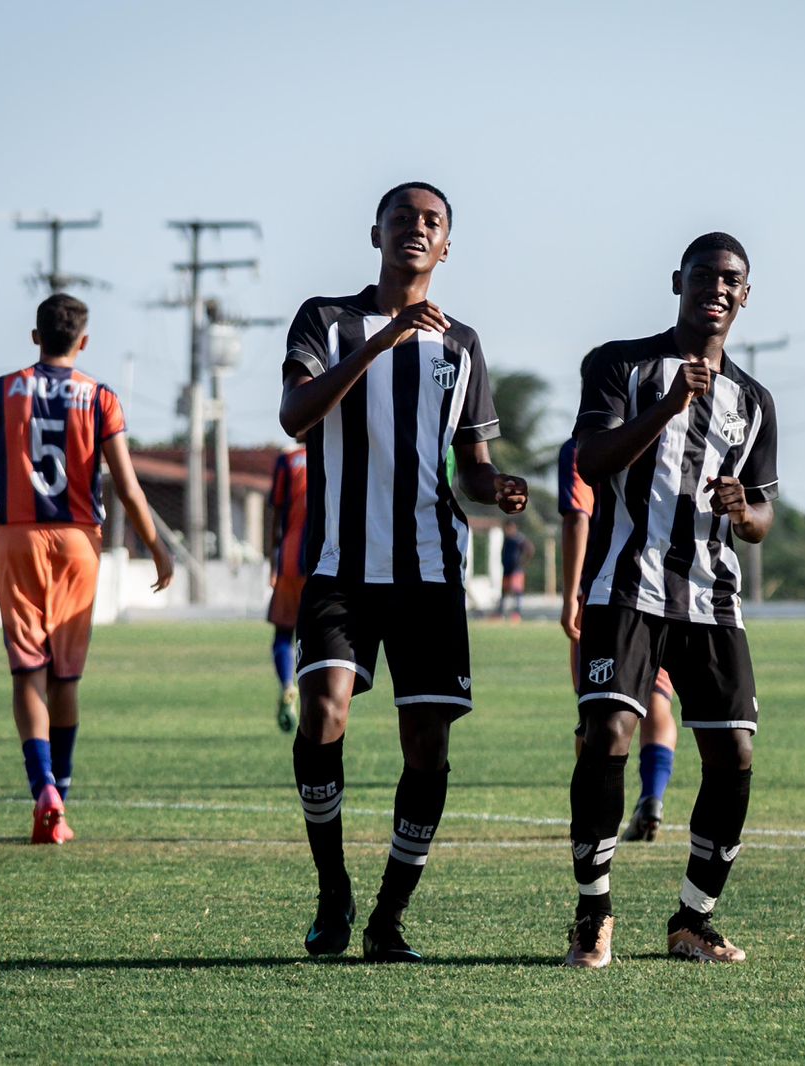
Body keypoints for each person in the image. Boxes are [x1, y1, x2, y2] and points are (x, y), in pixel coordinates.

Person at [279, 181, 528, 962]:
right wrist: (384, 341)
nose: (416, 229)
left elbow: (474, 466)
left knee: (428, 749)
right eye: (403, 219)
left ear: (446, 244)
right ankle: (333, 892)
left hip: (429, 572)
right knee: (323, 713)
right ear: (376, 233)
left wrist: (498, 488)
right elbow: (294, 417)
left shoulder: (462, 345)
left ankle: (388, 917)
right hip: (339, 566)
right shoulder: (328, 319)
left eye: (432, 222)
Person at [564, 233, 778, 968]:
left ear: (745, 296)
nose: (718, 289)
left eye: (733, 281)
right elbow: (591, 462)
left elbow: (762, 516)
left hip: (711, 599)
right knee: (608, 739)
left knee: (735, 752)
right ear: (677, 281)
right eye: (706, 276)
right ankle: (594, 913)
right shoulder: (620, 364)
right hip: (624, 586)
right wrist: (667, 407)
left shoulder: (754, 401)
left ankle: (693, 919)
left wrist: (742, 507)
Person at [0, 293, 174, 844]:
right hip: (80, 542)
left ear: (35, 337)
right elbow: (125, 485)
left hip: (16, 540)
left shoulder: (2, 391)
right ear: (83, 342)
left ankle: (42, 789)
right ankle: (65, 793)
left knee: (27, 668)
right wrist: (157, 546)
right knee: (67, 673)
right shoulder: (100, 397)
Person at [557, 434, 678, 842]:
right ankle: (653, 797)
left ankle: (595, 815)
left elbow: (578, 516)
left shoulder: (582, 448)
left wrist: (572, 593)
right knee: (657, 699)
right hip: (668, 589)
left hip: (607, 594)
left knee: (595, 713)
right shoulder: (668, 436)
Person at [268, 434, 309, 732]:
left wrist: (273, 558)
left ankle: (287, 685)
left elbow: (277, 512)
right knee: (318, 638)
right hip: (325, 562)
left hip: (291, 560)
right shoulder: (336, 452)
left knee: (284, 633)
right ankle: (316, 696)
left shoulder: (289, 460)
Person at [498, 520, 534, 621]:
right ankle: (500, 613)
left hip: (516, 569)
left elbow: (530, 549)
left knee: (517, 591)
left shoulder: (519, 539)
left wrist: (523, 562)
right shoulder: (507, 539)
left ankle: (517, 613)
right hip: (507, 569)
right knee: (504, 591)